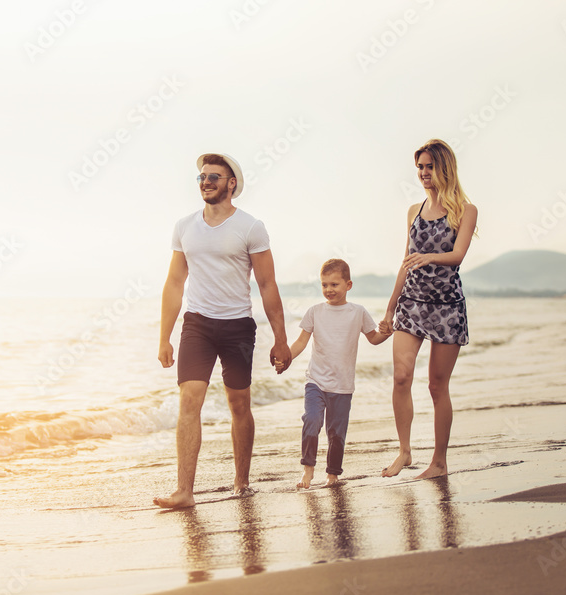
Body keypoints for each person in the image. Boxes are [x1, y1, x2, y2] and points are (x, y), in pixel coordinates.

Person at [155, 153, 292, 509]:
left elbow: (267, 284)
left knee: (239, 404)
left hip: (238, 328)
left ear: (232, 184)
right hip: (197, 324)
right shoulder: (185, 226)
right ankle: (185, 490)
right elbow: (173, 282)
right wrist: (164, 337)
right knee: (189, 400)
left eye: (214, 177)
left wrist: (281, 339)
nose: (206, 182)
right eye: (201, 177)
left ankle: (241, 482)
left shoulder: (250, 227)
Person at [378, 139, 478, 479]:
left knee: (437, 386)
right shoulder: (413, 211)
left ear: (444, 168)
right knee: (402, 376)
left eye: (429, 167)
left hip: (447, 306)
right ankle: (405, 452)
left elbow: (458, 255)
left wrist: (429, 257)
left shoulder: (465, 209)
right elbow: (405, 263)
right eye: (419, 166)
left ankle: (439, 462)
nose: (423, 173)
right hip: (412, 303)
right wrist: (390, 309)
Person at [280, 259, 391, 489]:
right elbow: (301, 342)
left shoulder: (358, 312)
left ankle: (332, 474)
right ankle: (308, 470)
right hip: (316, 382)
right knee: (311, 421)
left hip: (342, 386)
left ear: (348, 285)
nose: (328, 290)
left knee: (337, 434)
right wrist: (286, 358)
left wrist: (387, 333)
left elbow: (373, 338)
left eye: (334, 284)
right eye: (324, 285)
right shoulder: (315, 312)